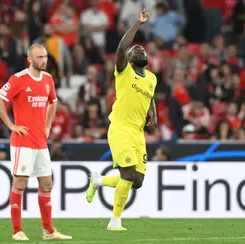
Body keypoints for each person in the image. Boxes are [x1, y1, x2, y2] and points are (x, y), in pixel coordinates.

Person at [86, 10, 157, 231]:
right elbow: (121, 48)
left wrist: (152, 114)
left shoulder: (152, 78)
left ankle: (99, 180)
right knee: (126, 174)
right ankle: (115, 221)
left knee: (137, 181)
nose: (140, 48)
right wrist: (138, 23)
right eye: (136, 49)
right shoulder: (124, 72)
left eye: (142, 48)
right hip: (120, 128)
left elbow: (150, 97)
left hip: (138, 132)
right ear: (129, 58)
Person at [0, 44, 72, 241]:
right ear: (30, 59)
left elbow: (53, 102)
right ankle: (16, 230)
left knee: (47, 184)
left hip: (40, 141)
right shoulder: (18, 79)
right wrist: (11, 125)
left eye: (45, 57)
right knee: (20, 182)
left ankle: (48, 231)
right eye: (39, 57)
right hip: (23, 141)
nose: (43, 60)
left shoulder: (48, 79)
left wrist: (47, 125)